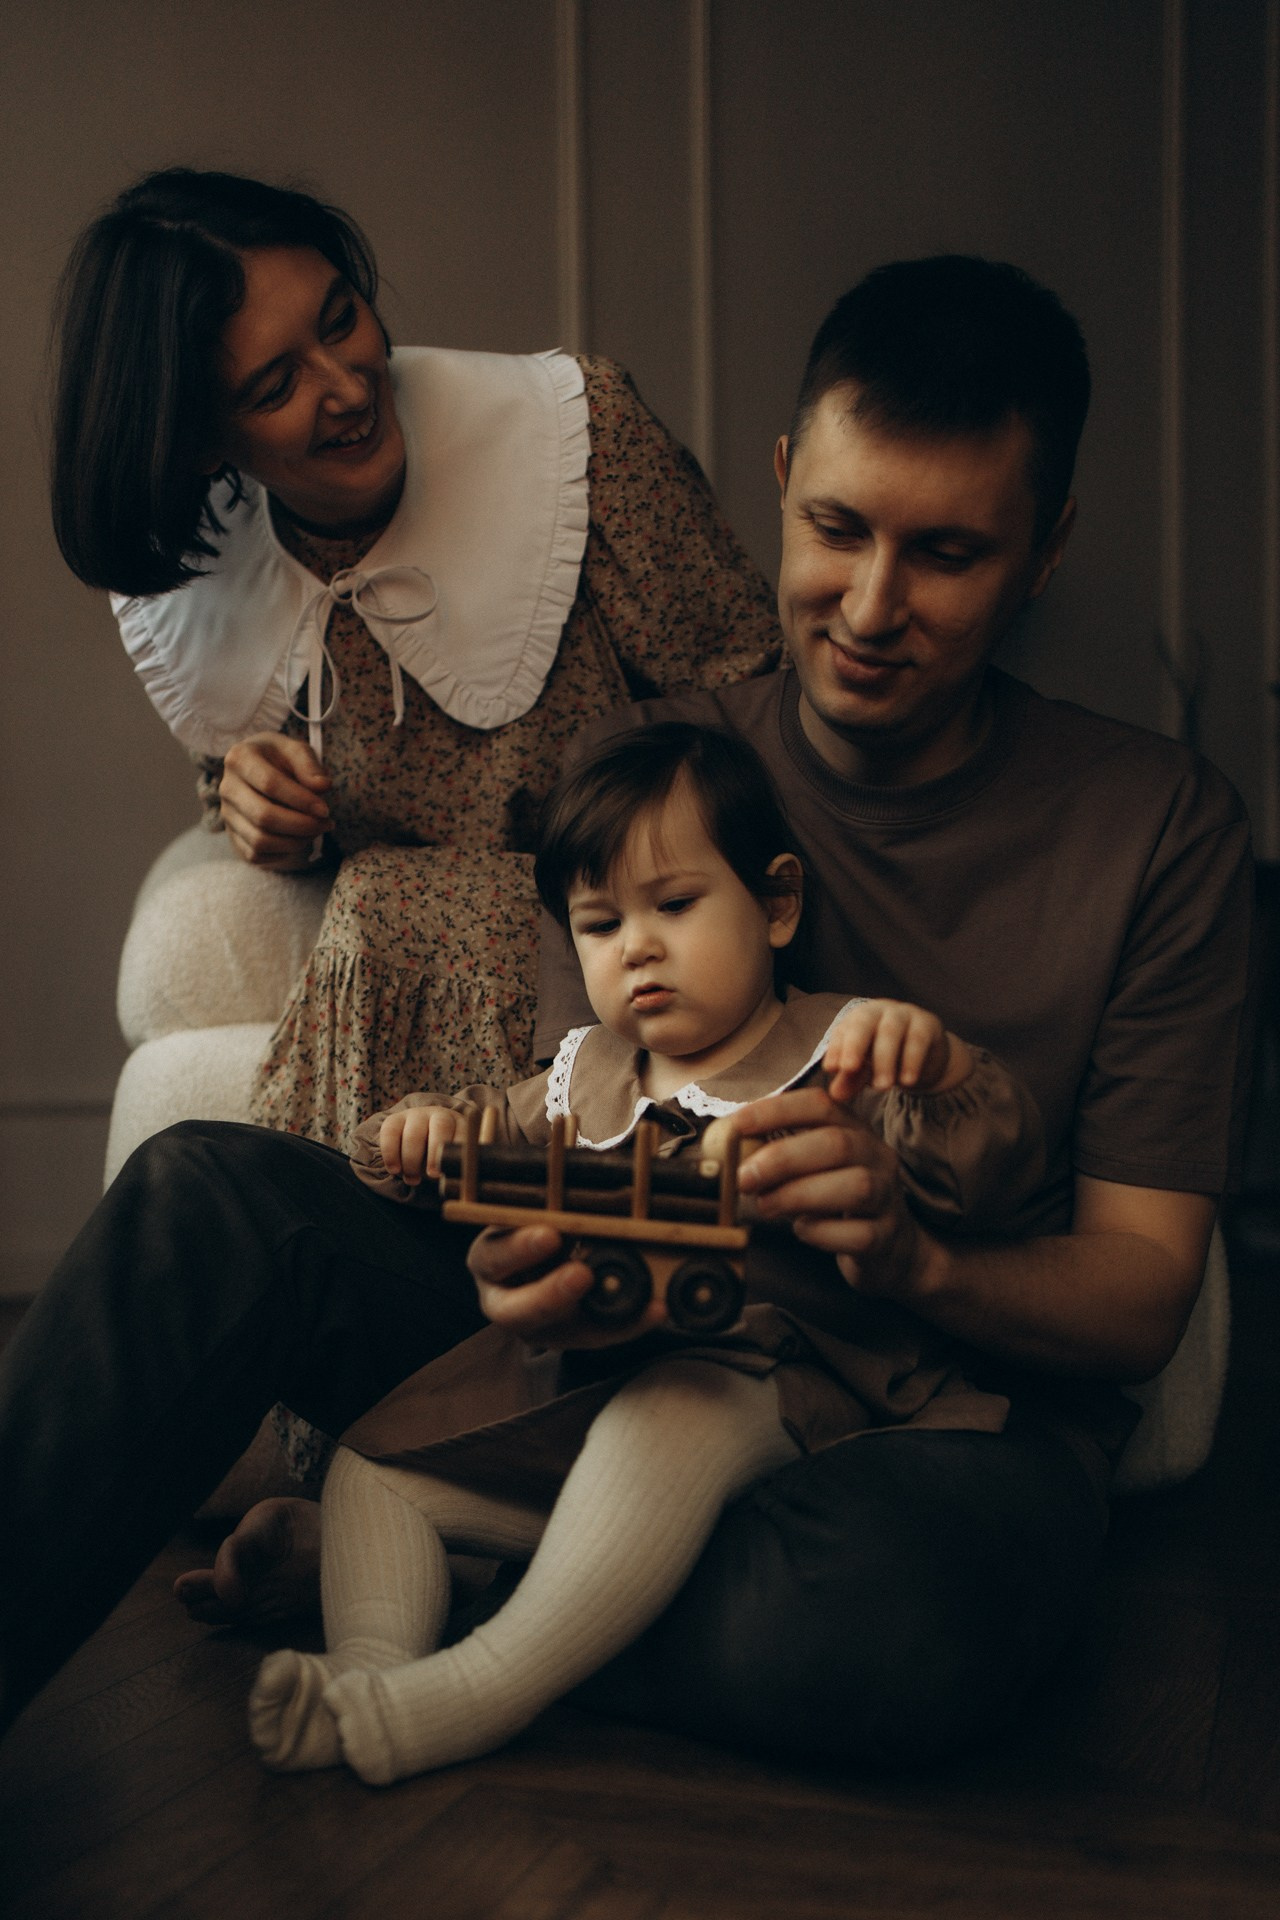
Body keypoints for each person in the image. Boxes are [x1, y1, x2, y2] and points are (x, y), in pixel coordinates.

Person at [1, 255, 1251, 1766]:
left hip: (919, 1421)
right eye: (836, 528)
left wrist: (915, 1251)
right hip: (606, 1358)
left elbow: (1137, 1296)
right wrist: (533, 1258)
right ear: (784, 481)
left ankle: (442, 1576)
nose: (869, 607)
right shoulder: (655, 760)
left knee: (898, 1622)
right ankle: (496, 1572)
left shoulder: (1158, 823)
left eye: (948, 554)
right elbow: (569, 1118)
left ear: (1045, 552)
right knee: (206, 1192)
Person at [247, 722, 1042, 1782]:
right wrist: (418, 1133)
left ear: (775, 905)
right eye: (599, 922)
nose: (637, 946)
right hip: (580, 1378)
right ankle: (370, 1673)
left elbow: (989, 1169)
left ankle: (474, 1691)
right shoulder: (586, 1074)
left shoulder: (835, 1045)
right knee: (372, 1468)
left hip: (773, 1373)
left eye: (673, 906)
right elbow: (467, 1140)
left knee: (672, 1406)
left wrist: (937, 1070)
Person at [52, 167, 780, 1148]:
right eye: (276, 386)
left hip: (631, 930)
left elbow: (754, 710)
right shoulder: (216, 568)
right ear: (201, 444)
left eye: (341, 319)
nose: (348, 388)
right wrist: (255, 802)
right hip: (385, 956)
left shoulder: (576, 438)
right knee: (180, 1118)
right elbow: (244, 780)